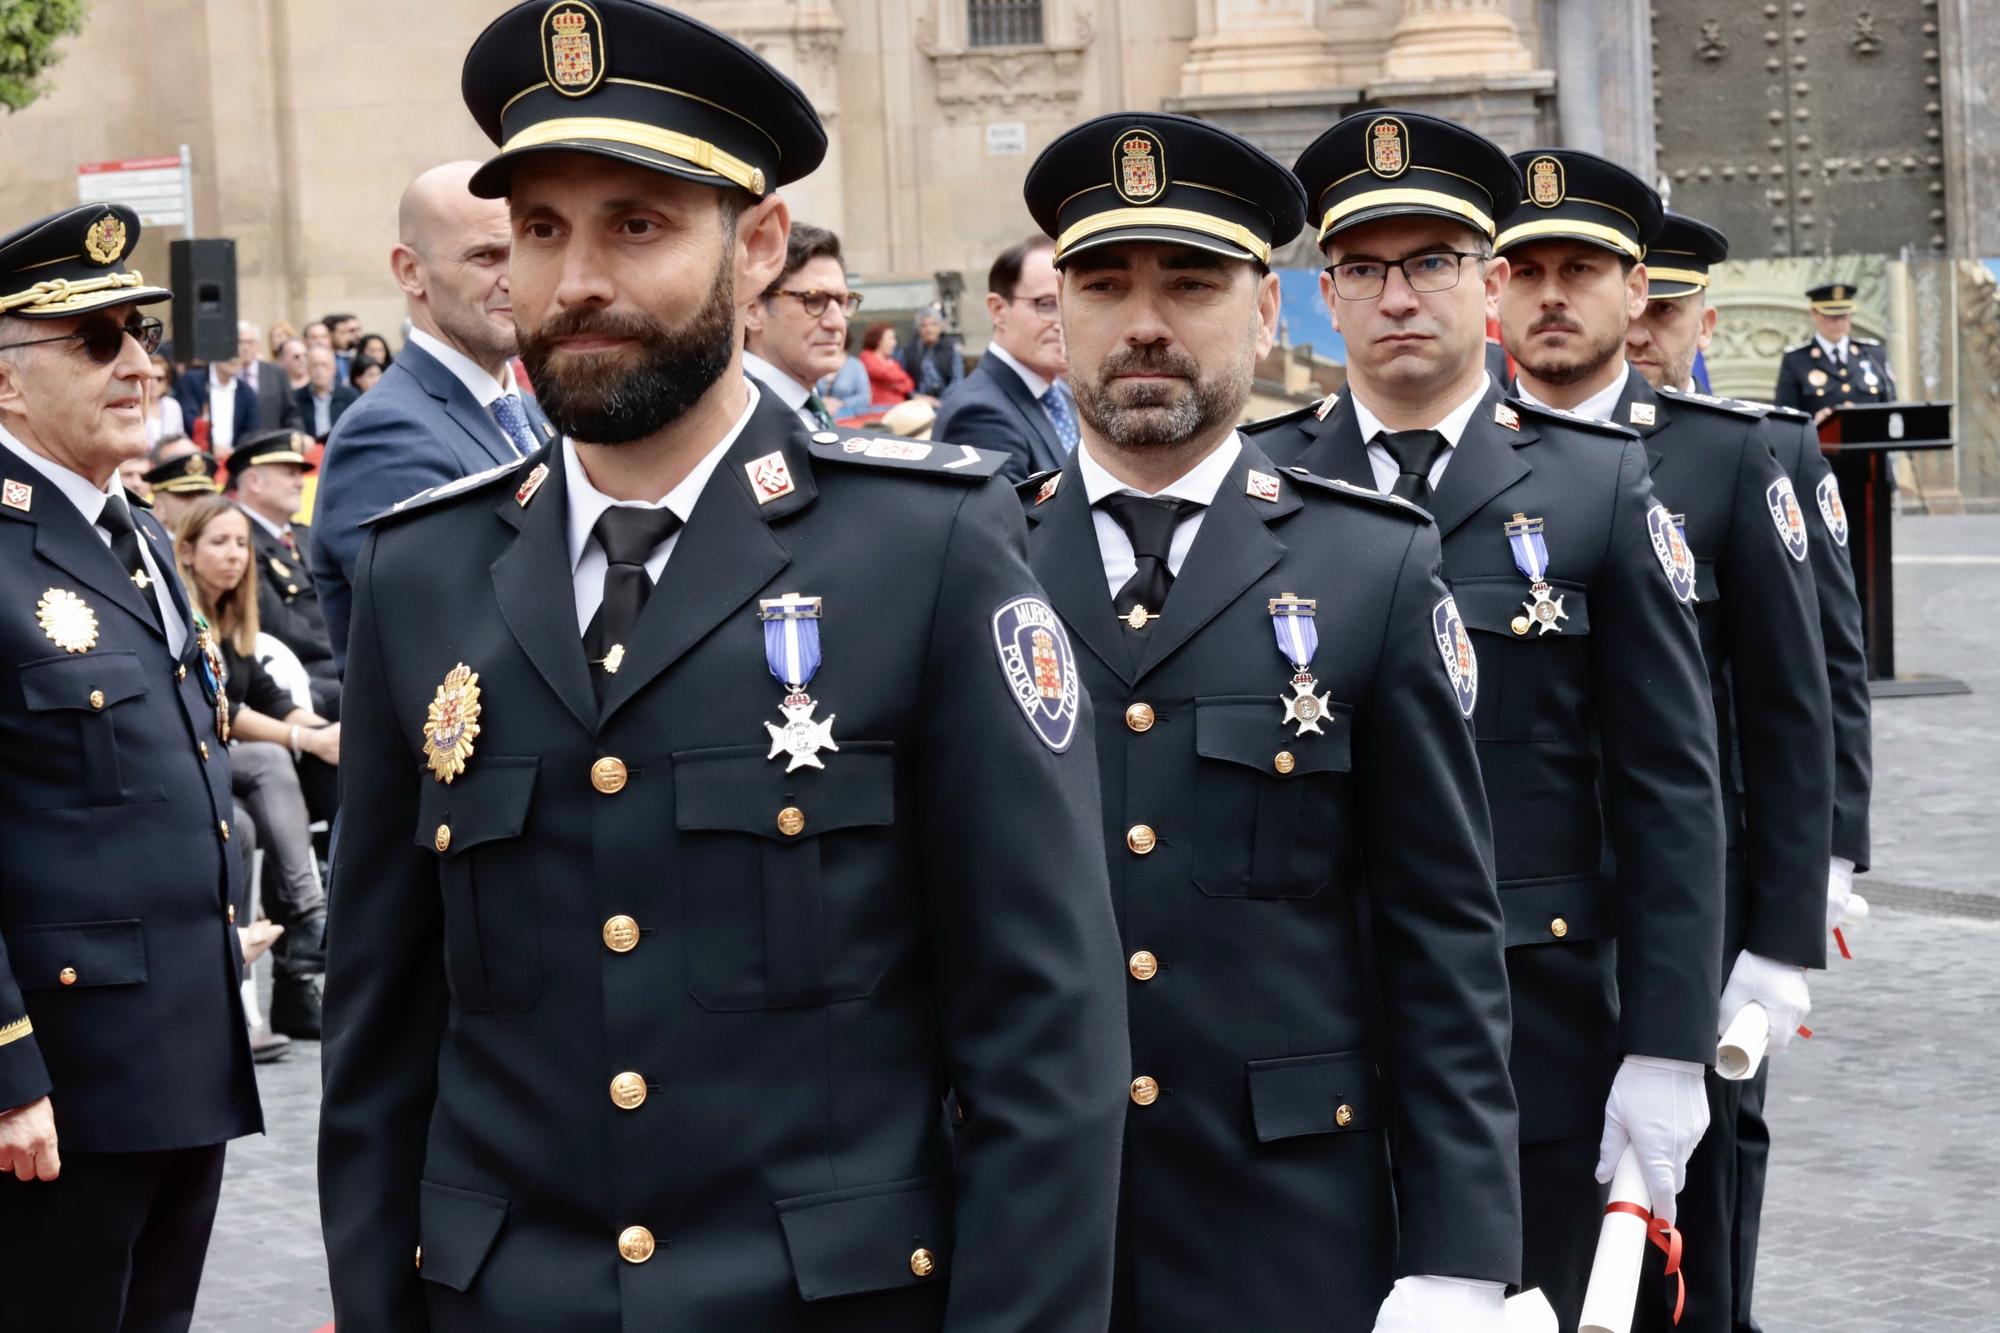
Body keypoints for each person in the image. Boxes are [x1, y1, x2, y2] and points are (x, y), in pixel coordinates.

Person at [319, 6, 1129, 1328]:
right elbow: (379, 1047)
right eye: (539, 230)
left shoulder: (923, 550)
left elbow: (1046, 1044)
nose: (574, 280)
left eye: (635, 226)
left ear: (754, 245)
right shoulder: (425, 574)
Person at [1018, 110, 1520, 1332]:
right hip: (1024, 1222)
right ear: (1058, 314)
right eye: (1103, 283)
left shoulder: (1372, 569)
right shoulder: (962, 555)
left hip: (1287, 1219)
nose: (1143, 321)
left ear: (1261, 312)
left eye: (1189, 284)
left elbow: (1439, 933)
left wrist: (1460, 1251)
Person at [1244, 112, 1729, 1331]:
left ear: (1492, 281)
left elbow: (1668, 784)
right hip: (1309, 1033)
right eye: (1363, 266)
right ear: (1322, 294)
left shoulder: (1597, 485)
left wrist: (1667, 1044)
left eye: (1434, 262)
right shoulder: (1261, 492)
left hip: (1543, 1028)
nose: (1397, 295)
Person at [1493, 149, 1835, 1333]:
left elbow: (1792, 709)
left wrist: (1784, 931)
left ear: (1632, 290)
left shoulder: (1724, 454)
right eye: (1524, 268)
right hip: (1525, 923)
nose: (1549, 294)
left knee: (1692, 1225)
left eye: (1576, 268)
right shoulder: (1450, 468)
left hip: (1693, 912)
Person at [0, 202, 261, 1330]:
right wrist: (6, 1070)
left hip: (180, 1049)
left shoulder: (141, 528)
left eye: (141, 335)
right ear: (6, 381)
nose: (142, 365)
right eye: (99, 340)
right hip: (58, 1078)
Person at [1625, 210, 1870, 1333]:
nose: (1641, 333)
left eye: (1664, 313)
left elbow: (1820, 670)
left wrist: (1818, 857)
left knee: (1719, 1123)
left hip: (1719, 839)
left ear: (1695, 320)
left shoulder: (1753, 447)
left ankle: (1719, 1309)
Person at [310, 160, 549, 671]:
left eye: (524, 250)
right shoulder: (386, 434)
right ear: (410, 271)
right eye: (486, 256)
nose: (514, 279)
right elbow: (451, 628)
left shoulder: (532, 412)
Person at [174, 495, 338, 1040]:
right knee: (273, 760)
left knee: (253, 819)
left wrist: (326, 734)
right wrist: (301, 738)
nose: (235, 556)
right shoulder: (178, 608)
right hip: (191, 755)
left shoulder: (230, 615)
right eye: (219, 543)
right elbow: (225, 708)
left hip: (228, 768)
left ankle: (291, 968)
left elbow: (267, 694)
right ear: (187, 551)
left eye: (241, 543)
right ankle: (311, 919)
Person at [933, 235, 1076, 481]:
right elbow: (1009, 519)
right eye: (1046, 304)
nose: (1063, 322)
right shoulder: (979, 415)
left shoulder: (1059, 395)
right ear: (998, 311)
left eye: (1071, 304)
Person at [225, 429, 339, 716]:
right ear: (254, 481)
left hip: (334, 657)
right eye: (289, 473)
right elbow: (276, 622)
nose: (300, 484)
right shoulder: (240, 541)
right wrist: (342, 649)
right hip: (298, 665)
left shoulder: (305, 535)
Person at [741, 222, 858, 430]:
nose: (838, 322)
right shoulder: (729, 417)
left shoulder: (809, 404)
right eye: (813, 300)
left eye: (842, 302)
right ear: (752, 310)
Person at [1772, 282, 1896, 420]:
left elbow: (1891, 406)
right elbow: (1785, 417)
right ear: (1814, 314)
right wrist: (1813, 423)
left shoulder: (1872, 354)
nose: (1839, 322)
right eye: (1831, 316)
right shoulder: (1796, 360)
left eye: (1844, 316)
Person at [173, 349, 260, 457]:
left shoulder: (246, 392)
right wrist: (210, 446)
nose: (234, 359)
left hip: (232, 461)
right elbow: (188, 418)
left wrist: (233, 451)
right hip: (196, 458)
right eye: (229, 352)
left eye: (239, 353)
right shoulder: (192, 381)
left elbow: (251, 430)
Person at [143, 445, 222, 534]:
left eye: (204, 495)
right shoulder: (143, 545)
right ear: (158, 507)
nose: (198, 502)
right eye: (186, 495)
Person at [239, 320, 296, 430]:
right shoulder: (228, 374)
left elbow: (290, 413)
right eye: (240, 342)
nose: (245, 347)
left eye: (250, 342)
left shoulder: (276, 373)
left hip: (270, 440)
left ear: (257, 345)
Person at [294, 345, 358, 442]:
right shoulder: (295, 398)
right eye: (314, 365)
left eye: (324, 365)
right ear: (307, 369)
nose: (319, 370)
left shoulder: (350, 396)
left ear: (334, 369)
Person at [899, 306, 964, 399]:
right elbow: (902, 380)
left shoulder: (952, 350)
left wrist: (941, 402)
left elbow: (957, 381)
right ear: (919, 329)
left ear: (940, 327)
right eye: (924, 325)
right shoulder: (908, 351)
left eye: (933, 325)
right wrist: (916, 396)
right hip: (917, 404)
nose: (929, 330)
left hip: (946, 402)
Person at [859, 322, 916, 406]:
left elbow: (909, 384)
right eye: (891, 338)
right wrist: (899, 378)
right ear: (879, 340)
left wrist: (895, 386)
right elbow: (882, 373)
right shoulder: (866, 357)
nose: (894, 343)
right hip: (877, 408)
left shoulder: (893, 362)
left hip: (898, 408)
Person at [145, 351, 185, 446]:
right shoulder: (133, 406)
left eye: (159, 379)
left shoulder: (173, 406)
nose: (153, 383)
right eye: (149, 377)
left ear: (166, 382)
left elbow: (180, 440)